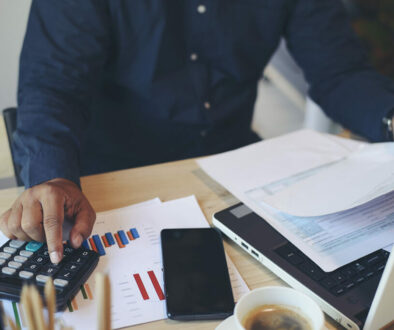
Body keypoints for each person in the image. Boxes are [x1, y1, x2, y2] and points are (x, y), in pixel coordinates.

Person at [1, 0, 393, 264]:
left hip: (230, 168)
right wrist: (52, 175)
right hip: (114, 176)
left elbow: (340, 72)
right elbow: (54, 87)